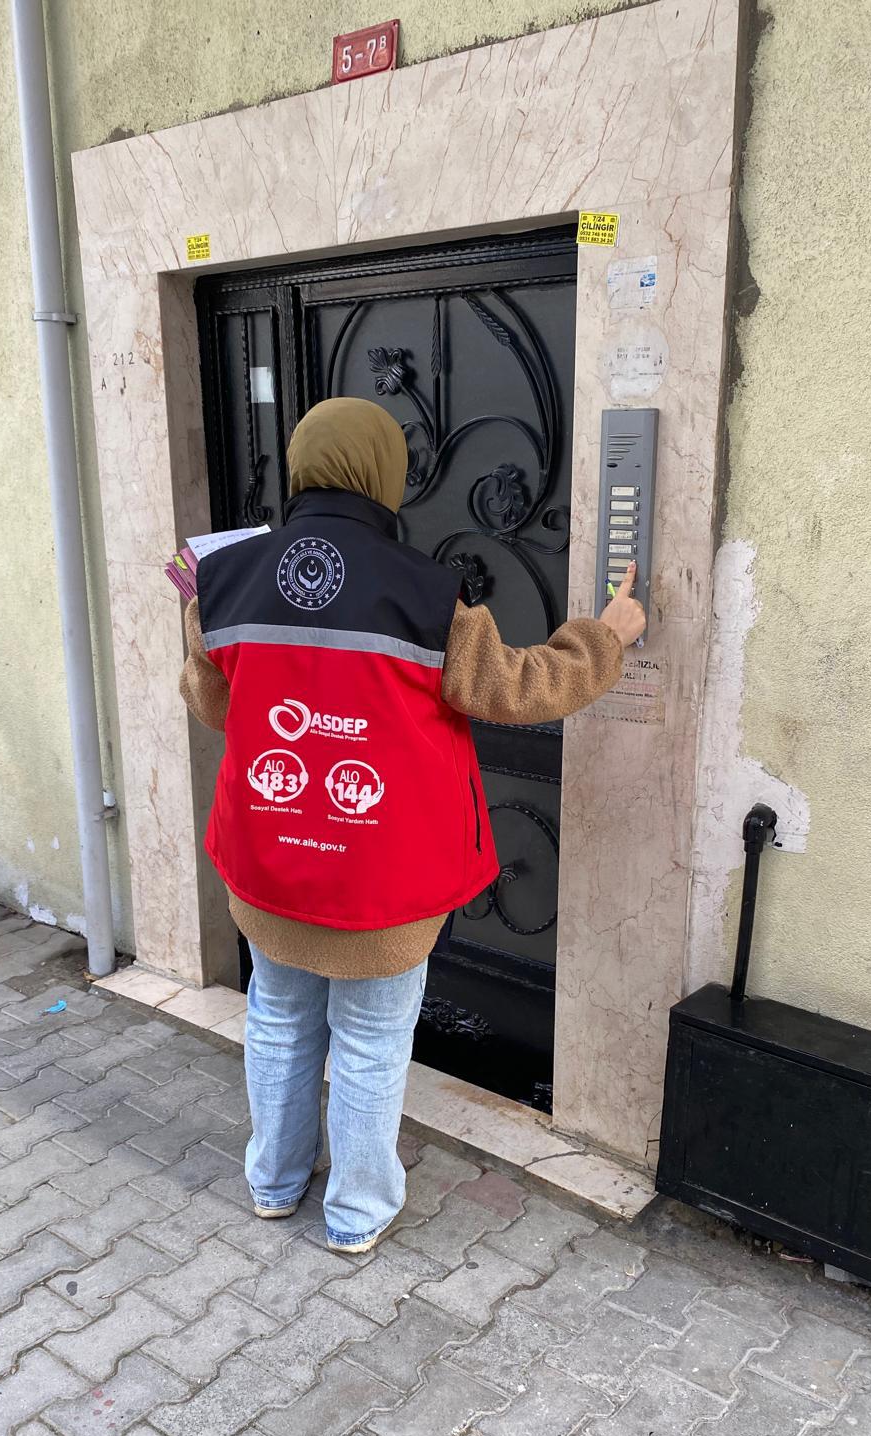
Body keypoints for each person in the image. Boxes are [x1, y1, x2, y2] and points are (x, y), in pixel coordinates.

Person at [180, 397, 646, 1253]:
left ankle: (274, 1184)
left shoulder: (226, 578)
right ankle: (356, 1214)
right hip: (381, 878)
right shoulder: (430, 598)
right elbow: (520, 689)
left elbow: (212, 702)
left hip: (270, 855)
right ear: (385, 474)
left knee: (278, 1016)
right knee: (369, 1038)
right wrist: (605, 637)